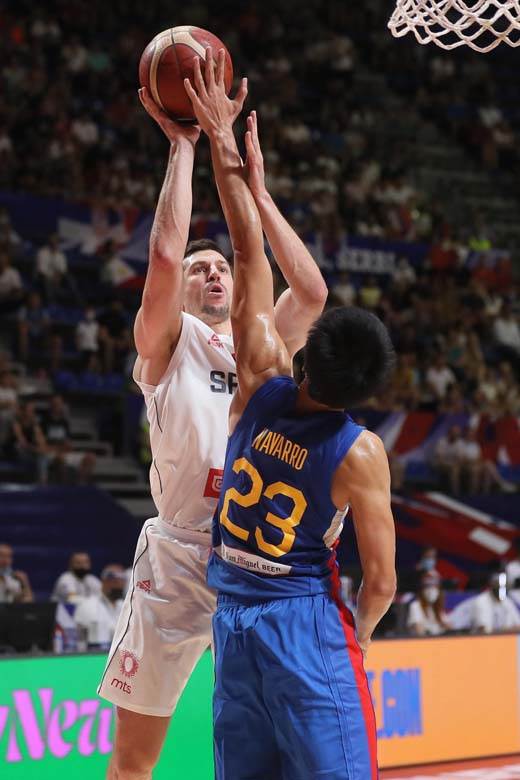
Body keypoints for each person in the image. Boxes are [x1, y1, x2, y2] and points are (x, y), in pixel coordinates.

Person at [99, 70, 327, 780]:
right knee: (134, 762)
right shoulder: (167, 344)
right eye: (201, 270)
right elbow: (164, 256)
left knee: (284, 752)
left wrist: (259, 195)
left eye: (221, 266)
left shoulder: (261, 344)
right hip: (176, 563)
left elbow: (311, 290)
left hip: (254, 560)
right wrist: (183, 147)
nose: (213, 274)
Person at [185, 51, 396, 779]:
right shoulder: (359, 451)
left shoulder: (261, 382)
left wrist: (226, 150)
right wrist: (354, 640)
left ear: (304, 360)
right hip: (304, 625)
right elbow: (381, 584)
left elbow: (248, 254)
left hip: (233, 617)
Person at [74, 564, 126, 650]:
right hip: (95, 654)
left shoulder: (125, 606)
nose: (119, 586)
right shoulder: (88, 605)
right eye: (115, 582)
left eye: (122, 583)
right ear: (104, 582)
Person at [407, 571, 450, 636]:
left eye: (434, 587)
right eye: (428, 586)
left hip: (439, 639)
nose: (431, 590)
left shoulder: (437, 607)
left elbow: (447, 624)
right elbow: (418, 629)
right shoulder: (415, 605)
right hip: (424, 640)